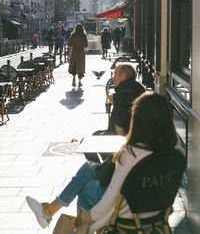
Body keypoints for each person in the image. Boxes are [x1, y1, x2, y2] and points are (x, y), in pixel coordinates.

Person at [26, 92, 183, 233]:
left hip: (127, 218)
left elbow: (111, 197)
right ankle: (54, 213)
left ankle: (73, 224)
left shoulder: (130, 153)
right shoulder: (177, 152)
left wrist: (89, 217)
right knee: (90, 169)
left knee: (86, 187)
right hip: (157, 216)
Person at [25, 63, 145, 228]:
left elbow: (120, 130)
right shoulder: (163, 150)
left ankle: (49, 212)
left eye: (116, 73)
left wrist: (118, 124)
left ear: (124, 76)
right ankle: (50, 211)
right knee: (88, 171)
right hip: (146, 202)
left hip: (126, 198)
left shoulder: (125, 92)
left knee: (85, 179)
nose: (112, 77)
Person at [67, 23, 88, 87]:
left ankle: (73, 79)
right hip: (81, 52)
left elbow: (68, 43)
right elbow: (86, 45)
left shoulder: (73, 35)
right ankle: (79, 82)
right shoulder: (83, 35)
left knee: (74, 65)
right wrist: (81, 45)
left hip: (74, 52)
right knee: (80, 67)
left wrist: (74, 45)